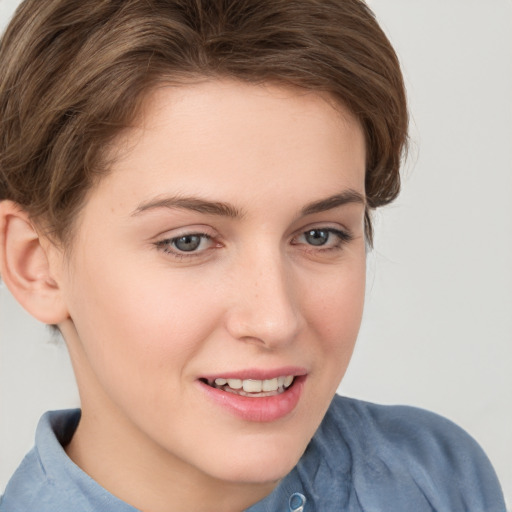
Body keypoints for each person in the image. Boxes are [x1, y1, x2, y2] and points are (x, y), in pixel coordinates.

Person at [0, 0, 506, 511]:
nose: (275, 320)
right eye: (188, 241)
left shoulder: (437, 477)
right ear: (36, 265)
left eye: (318, 235)